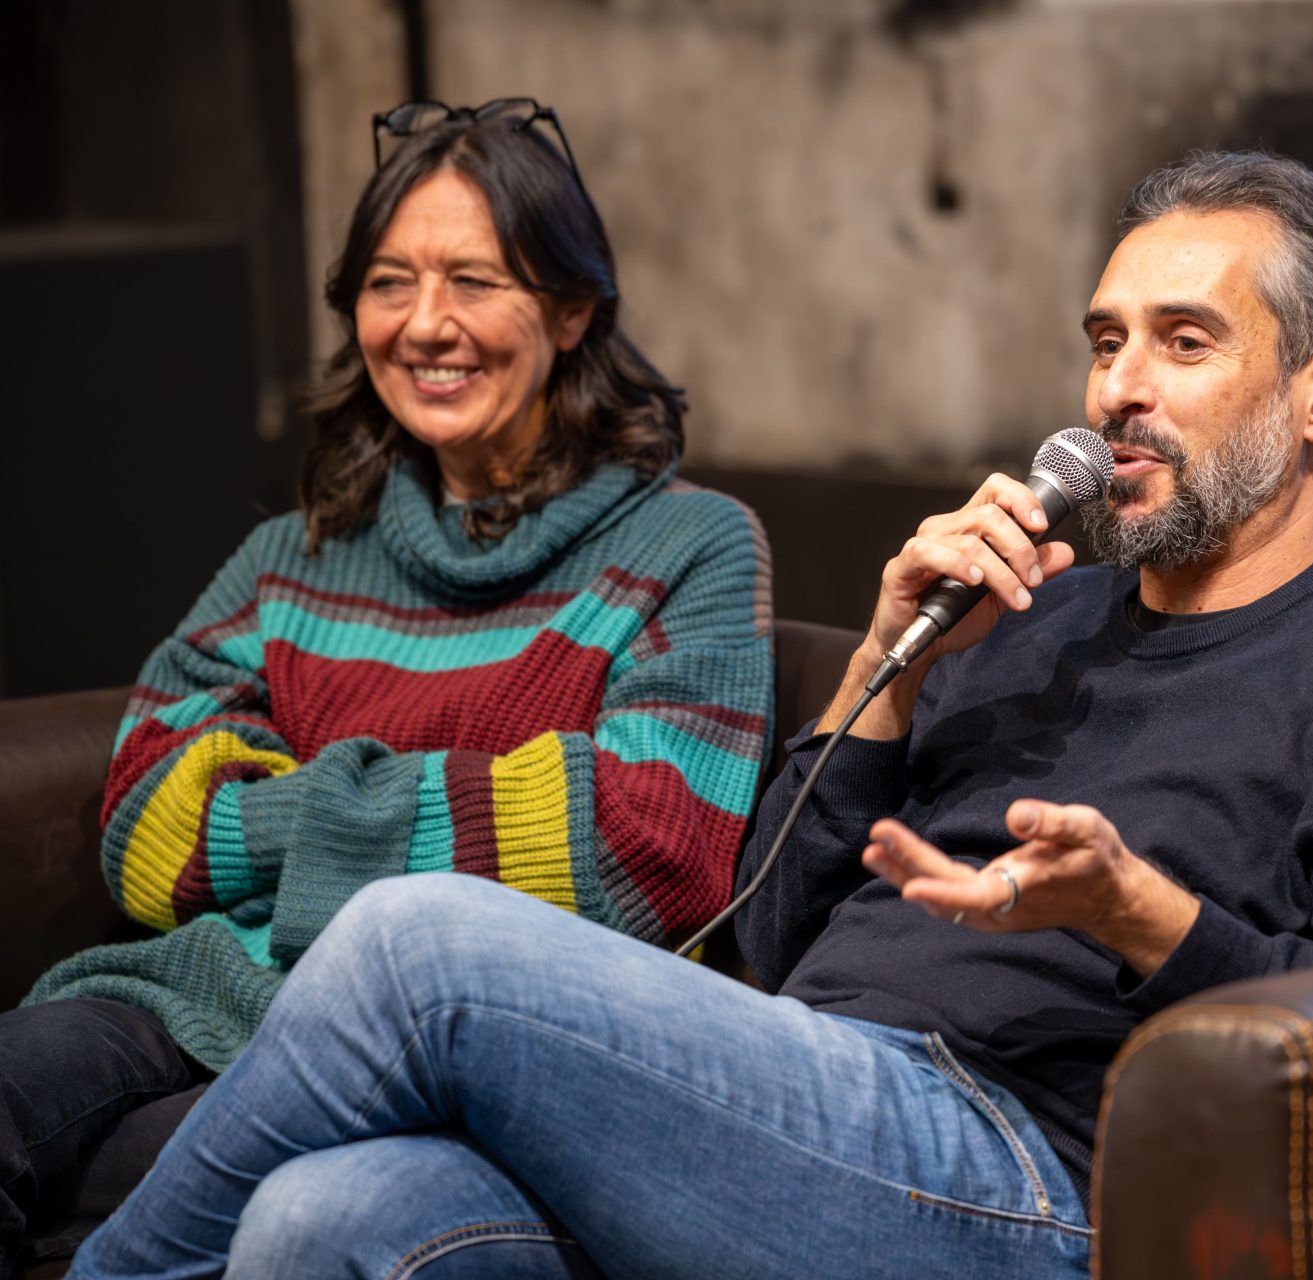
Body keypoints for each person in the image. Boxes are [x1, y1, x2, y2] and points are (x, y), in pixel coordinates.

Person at [65, 150, 1313, 1280]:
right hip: (800, 1100)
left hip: (1028, 1176)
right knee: (328, 1214)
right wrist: (883, 670)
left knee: (418, 939)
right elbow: (766, 936)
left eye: (1183, 342)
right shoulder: (1029, 616)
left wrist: (1140, 915)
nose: (1117, 390)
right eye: (1105, 341)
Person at [0, 100, 772, 1276]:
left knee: (194, 1181)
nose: (424, 324)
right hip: (187, 988)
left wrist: (285, 815)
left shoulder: (691, 543)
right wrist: (475, 806)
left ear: (572, 310)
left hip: (431, 1041)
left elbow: (643, 849)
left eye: (474, 280)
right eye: (387, 281)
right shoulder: (294, 552)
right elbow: (147, 821)